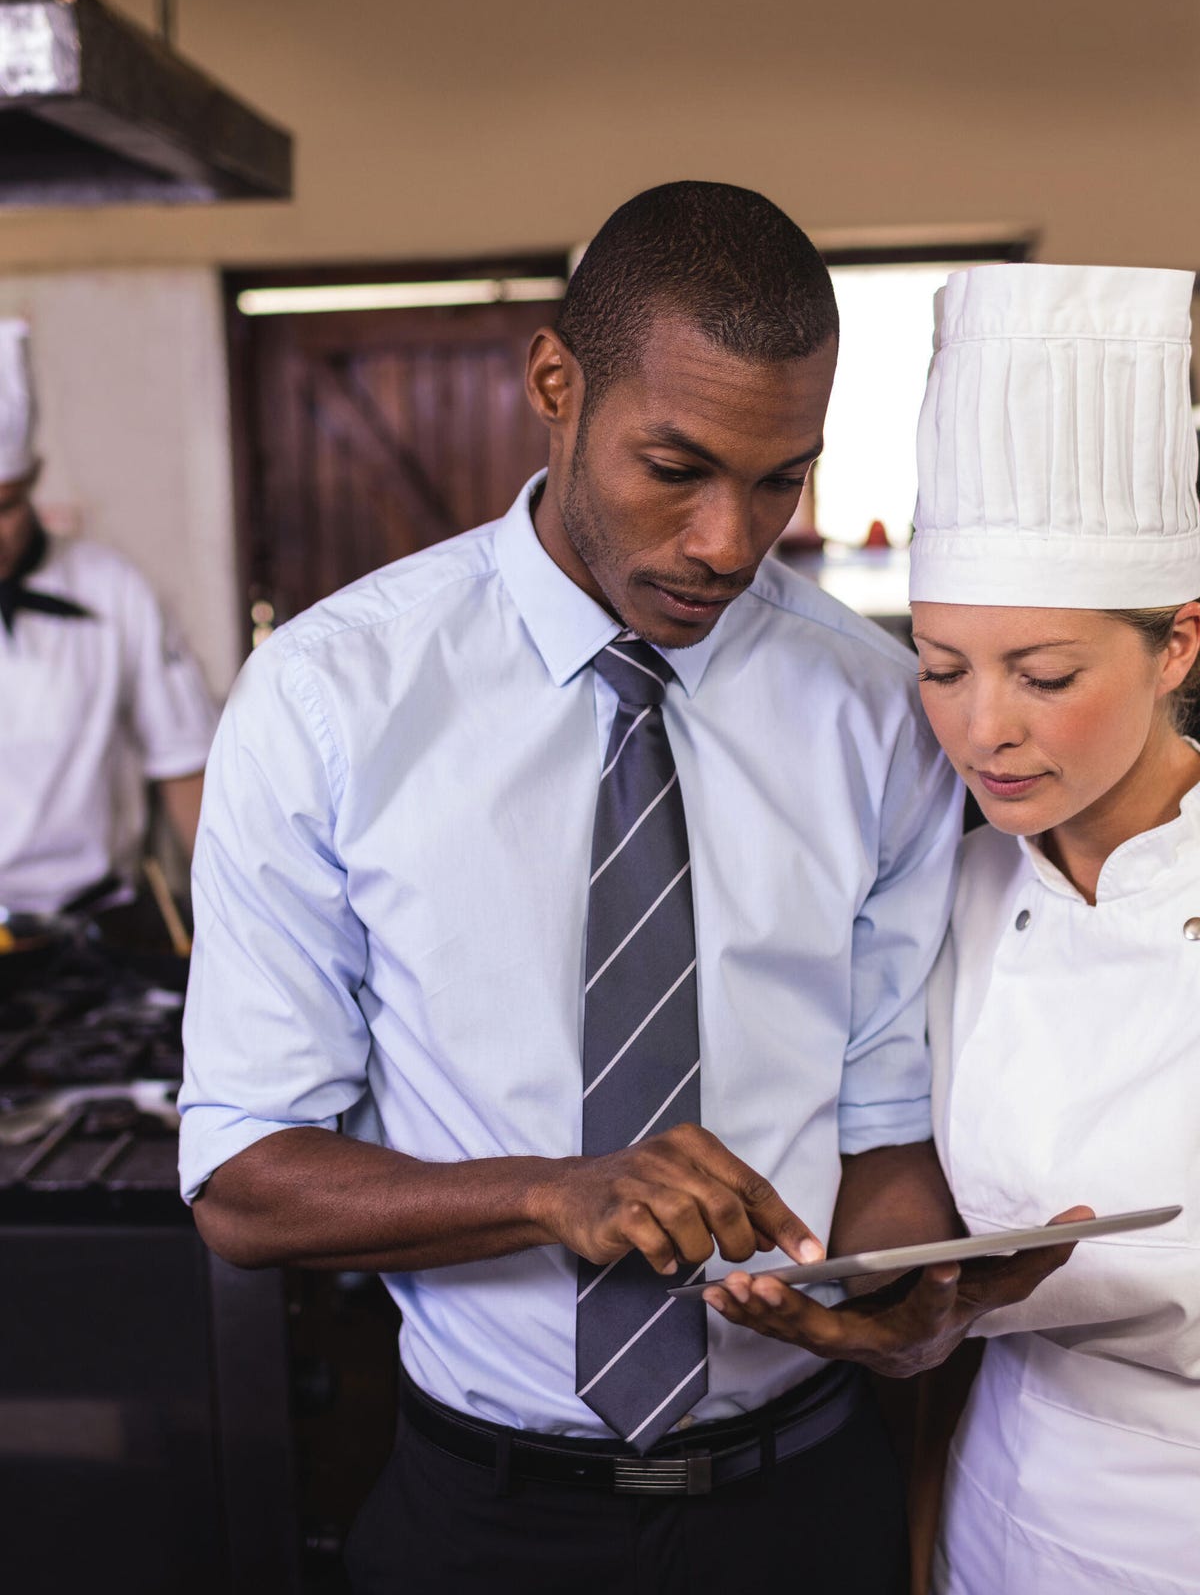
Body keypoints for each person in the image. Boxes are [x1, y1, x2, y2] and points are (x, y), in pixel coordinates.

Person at [178, 183, 1074, 1595]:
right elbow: (242, 1182)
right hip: (481, 1521)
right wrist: (554, 1194)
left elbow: (883, 1121)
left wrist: (909, 1299)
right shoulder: (331, 700)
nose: (729, 541)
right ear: (555, 383)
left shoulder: (877, 711)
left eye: (781, 479)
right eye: (677, 465)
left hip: (803, 1500)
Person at [907, 263, 1200, 1592]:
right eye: (942, 666)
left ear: (1177, 644)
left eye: (1044, 675)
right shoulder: (954, 891)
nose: (984, 729)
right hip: (1003, 1503)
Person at [0, 318, 217, 918]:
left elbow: (186, 769)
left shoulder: (115, 589)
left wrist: (231, 926)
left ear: (36, 479)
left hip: (96, 927)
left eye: (4, 507)